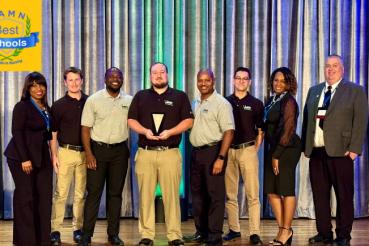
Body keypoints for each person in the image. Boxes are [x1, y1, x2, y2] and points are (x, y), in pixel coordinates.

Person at [302, 55, 368, 246]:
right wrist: (306, 147)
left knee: (344, 196)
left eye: (334, 66)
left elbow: (361, 121)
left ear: (342, 69)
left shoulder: (355, 90)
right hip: (317, 152)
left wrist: (354, 149)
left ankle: (343, 236)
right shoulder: (315, 91)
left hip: (342, 153)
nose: (330, 70)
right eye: (327, 66)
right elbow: (308, 120)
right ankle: (324, 233)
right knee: (319, 196)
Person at [127, 62, 193, 246]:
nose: (158, 75)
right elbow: (131, 120)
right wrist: (144, 131)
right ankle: (146, 235)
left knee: (171, 196)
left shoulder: (179, 96)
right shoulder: (140, 96)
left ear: (167, 75)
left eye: (162, 72)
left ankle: (174, 235)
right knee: (145, 196)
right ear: (150, 76)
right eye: (154, 72)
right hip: (146, 153)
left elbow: (189, 121)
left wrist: (171, 132)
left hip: (170, 153)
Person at [78, 67, 132, 246]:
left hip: (120, 152)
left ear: (122, 79)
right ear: (105, 79)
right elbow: (85, 129)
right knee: (93, 193)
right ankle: (86, 234)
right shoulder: (94, 100)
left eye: (118, 76)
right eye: (111, 76)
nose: (115, 79)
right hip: (97, 151)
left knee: (115, 194)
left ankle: (113, 234)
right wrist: (89, 154)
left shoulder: (129, 101)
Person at [186, 68, 234, 246]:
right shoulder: (195, 102)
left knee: (215, 195)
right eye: (200, 80)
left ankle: (214, 235)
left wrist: (221, 157)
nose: (203, 83)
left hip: (214, 152)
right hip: (196, 153)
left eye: (207, 80)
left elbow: (229, 132)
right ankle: (201, 231)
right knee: (197, 195)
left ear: (213, 81)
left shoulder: (221, 103)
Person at [4, 72, 53, 245]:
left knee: (44, 197)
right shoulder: (22, 106)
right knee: (27, 198)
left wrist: (53, 156)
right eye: (33, 85)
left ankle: (42, 239)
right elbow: (16, 133)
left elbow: (48, 136)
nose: (38, 89)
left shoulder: (46, 108)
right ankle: (26, 241)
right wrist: (25, 159)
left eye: (41, 85)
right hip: (20, 157)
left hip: (41, 156)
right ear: (28, 88)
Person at [223, 67, 264, 245]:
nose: (241, 81)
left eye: (245, 78)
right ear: (233, 80)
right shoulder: (224, 102)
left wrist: (255, 148)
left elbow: (260, 129)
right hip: (229, 151)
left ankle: (254, 232)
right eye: (238, 78)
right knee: (230, 194)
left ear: (250, 82)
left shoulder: (256, 103)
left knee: (252, 194)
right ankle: (234, 229)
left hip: (247, 150)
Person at [50, 67, 88, 245]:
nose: (74, 83)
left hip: (84, 154)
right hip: (65, 152)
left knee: (80, 195)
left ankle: (77, 229)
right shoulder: (58, 105)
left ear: (82, 80)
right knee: (61, 194)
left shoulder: (90, 102)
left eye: (77, 79)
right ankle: (55, 230)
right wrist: (54, 156)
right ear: (65, 82)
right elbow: (53, 133)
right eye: (70, 80)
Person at [263, 67, 301, 246]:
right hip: (274, 148)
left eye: (282, 81)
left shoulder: (289, 101)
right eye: (276, 80)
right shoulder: (272, 100)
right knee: (271, 190)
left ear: (289, 83)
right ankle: (282, 229)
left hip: (287, 149)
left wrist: (276, 155)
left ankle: (286, 230)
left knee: (285, 189)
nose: (278, 84)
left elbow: (288, 130)